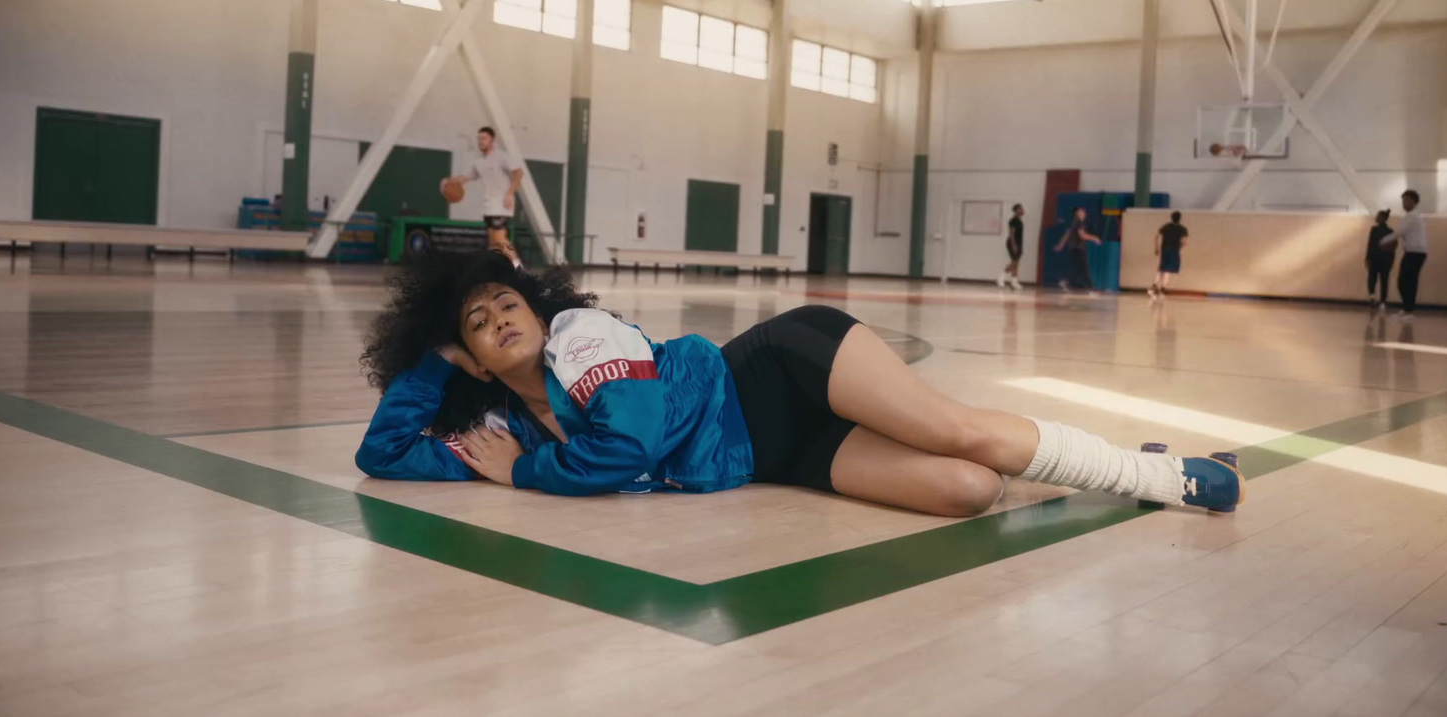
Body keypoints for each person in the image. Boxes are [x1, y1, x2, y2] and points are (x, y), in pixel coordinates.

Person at [353, 250, 1245, 517]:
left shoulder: (581, 340)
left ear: (542, 310)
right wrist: (434, 359)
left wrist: (524, 474)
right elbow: (384, 452)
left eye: (508, 301)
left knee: (959, 430)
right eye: (477, 323)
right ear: (470, 359)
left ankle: (1158, 476)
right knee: (969, 489)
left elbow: (626, 443)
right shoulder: (510, 418)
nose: (500, 318)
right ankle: (1083, 464)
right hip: (776, 454)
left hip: (780, 369)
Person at [442, 127, 524, 265]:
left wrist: (510, 193)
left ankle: (519, 268)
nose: (481, 141)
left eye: (484, 138)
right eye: (479, 139)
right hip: (489, 206)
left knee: (500, 238)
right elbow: (465, 178)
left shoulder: (501, 156)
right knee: (493, 242)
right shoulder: (478, 161)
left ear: (492, 141)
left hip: (502, 205)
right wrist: (449, 180)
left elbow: (519, 172)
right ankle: (495, 271)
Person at [1380, 189, 1428, 322]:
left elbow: (1399, 232)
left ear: (1413, 202)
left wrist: (1383, 241)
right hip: (1412, 252)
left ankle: (1409, 312)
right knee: (1403, 281)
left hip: (1416, 253)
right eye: (1403, 200)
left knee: (1408, 282)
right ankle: (1406, 309)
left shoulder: (1413, 216)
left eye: (1406, 200)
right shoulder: (1411, 216)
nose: (1404, 203)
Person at [1054, 206, 1102, 293]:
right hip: (1078, 249)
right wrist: (1094, 238)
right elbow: (1082, 235)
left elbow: (1067, 234)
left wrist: (1060, 245)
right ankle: (1092, 289)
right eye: (1083, 212)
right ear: (1078, 213)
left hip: (1074, 249)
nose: (1085, 214)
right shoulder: (1079, 223)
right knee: (1084, 269)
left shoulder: (1074, 223)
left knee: (1078, 270)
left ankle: (1066, 282)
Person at [1151, 211, 1189, 300]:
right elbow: (1185, 242)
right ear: (1180, 218)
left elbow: (1157, 235)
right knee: (1168, 269)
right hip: (1174, 250)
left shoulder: (1166, 227)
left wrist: (1156, 247)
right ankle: (1162, 288)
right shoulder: (1182, 229)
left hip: (1165, 249)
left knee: (1162, 267)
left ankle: (1156, 285)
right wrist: (1179, 247)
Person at [1365, 209, 1395, 311]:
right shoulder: (1391, 231)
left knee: (1372, 279)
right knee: (1384, 280)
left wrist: (1367, 258)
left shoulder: (1374, 230)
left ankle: (1372, 297)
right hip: (1386, 259)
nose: (1376, 217)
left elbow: (1370, 245)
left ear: (1382, 218)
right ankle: (1383, 302)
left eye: (1377, 216)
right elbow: (1392, 248)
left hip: (1374, 258)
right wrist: (1391, 261)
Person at [998, 203, 1025, 291]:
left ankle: (1014, 282)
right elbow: (1011, 233)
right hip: (1013, 243)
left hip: (1019, 243)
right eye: (1021, 209)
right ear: (1016, 210)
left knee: (1016, 263)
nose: (1023, 210)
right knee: (1014, 262)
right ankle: (1001, 277)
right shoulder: (1014, 220)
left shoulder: (1019, 220)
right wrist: (1014, 245)